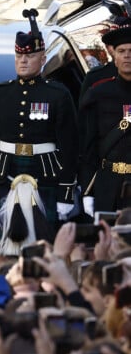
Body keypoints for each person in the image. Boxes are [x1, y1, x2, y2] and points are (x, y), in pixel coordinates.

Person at [0, 9, 79, 257]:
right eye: (19, 55)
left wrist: (66, 192)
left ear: (42, 59)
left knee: (44, 250)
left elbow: (69, 145)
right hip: (5, 173)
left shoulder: (58, 94)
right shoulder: (0, 93)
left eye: (30, 56)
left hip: (45, 175)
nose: (23, 61)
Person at [79, 22, 131, 213]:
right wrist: (87, 191)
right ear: (114, 57)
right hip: (108, 186)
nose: (127, 55)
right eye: (122, 51)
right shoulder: (98, 94)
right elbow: (87, 147)